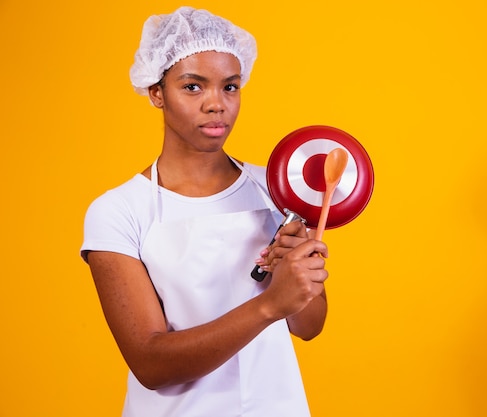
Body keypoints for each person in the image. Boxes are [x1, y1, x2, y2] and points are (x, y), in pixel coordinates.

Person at [80, 6, 329, 417]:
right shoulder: (119, 212)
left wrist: (298, 279)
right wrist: (269, 304)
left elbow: (309, 327)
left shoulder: (276, 187)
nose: (216, 104)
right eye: (193, 87)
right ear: (156, 93)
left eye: (230, 87)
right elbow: (151, 363)